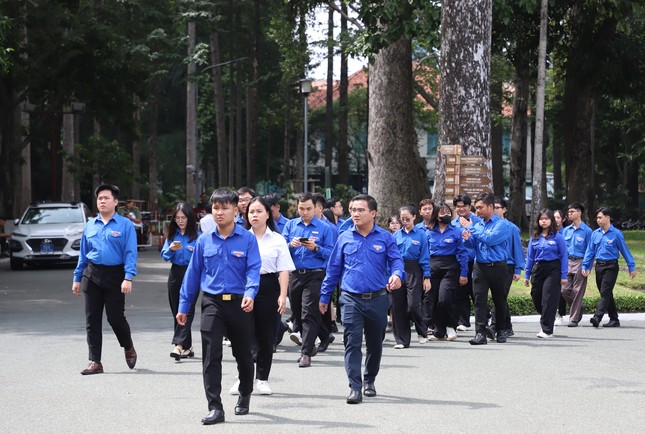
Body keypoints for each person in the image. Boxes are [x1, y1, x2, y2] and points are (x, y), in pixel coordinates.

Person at [176, 188, 261, 425]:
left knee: (243, 355)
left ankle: (245, 392)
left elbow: (254, 270)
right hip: (212, 302)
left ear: (236, 210)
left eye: (225, 208)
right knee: (211, 355)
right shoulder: (204, 241)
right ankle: (215, 407)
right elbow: (192, 276)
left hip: (240, 304)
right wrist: (184, 306)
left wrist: (250, 293)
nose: (219, 212)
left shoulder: (248, 239)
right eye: (215, 208)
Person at [319, 194, 404, 404]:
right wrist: (324, 296)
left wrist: (397, 275)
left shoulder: (385, 238)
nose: (355, 214)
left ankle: (369, 380)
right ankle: (355, 386)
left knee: (375, 343)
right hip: (350, 299)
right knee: (352, 343)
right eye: (353, 210)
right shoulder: (344, 237)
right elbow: (333, 270)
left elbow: (396, 261)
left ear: (373, 213)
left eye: (360, 210)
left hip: (378, 299)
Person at [227, 196, 295, 395]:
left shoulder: (277, 239)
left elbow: (283, 270)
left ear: (268, 214)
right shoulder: (239, 237)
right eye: (251, 212)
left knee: (266, 336)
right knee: (243, 336)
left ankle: (262, 378)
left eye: (259, 211)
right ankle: (242, 379)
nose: (254, 215)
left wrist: (283, 295)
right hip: (244, 288)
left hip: (268, 287)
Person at [71, 184, 138, 375]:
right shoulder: (90, 225)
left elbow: (130, 253)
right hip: (91, 274)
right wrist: (77, 277)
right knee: (92, 319)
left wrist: (128, 277)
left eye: (106, 198)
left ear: (115, 202)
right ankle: (95, 361)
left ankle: (128, 345)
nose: (102, 201)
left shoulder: (125, 225)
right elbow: (83, 255)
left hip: (116, 275)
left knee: (115, 318)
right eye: (99, 198)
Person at [281, 192, 334, 367]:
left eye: (308, 209)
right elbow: (281, 251)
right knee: (297, 312)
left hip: (316, 274)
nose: (305, 212)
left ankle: (305, 353)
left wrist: (316, 247)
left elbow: (331, 254)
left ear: (316, 208)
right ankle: (318, 339)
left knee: (308, 312)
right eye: (301, 208)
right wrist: (291, 244)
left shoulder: (324, 228)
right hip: (295, 274)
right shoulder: (290, 225)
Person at [461, 192, 509, 345]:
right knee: (479, 300)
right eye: (477, 208)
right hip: (480, 267)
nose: (478, 210)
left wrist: (471, 228)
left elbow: (490, 239)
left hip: (498, 267)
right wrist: (468, 240)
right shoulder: (478, 225)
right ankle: (480, 333)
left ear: (491, 207)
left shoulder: (501, 224)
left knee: (499, 300)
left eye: (481, 207)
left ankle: (501, 330)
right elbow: (474, 245)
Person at [582, 207, 637, 328]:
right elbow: (590, 251)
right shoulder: (595, 234)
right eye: (597, 218)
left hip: (611, 266)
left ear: (608, 218)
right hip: (599, 266)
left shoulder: (616, 234)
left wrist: (631, 266)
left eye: (600, 217)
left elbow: (624, 250)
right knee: (606, 293)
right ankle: (614, 319)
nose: (598, 220)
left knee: (605, 291)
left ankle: (597, 317)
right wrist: (586, 265)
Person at [161, 202, 200, 360]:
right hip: (176, 273)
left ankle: (178, 345)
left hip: (192, 275)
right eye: (177, 218)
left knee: (187, 310)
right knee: (177, 310)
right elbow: (164, 256)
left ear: (189, 218)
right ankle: (188, 346)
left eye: (183, 217)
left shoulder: (198, 237)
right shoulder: (172, 235)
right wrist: (171, 249)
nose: (180, 221)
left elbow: (202, 259)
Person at [426, 203, 468, 342]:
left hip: (450, 267)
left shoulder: (456, 231)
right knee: (433, 300)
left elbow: (462, 253)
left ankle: (451, 325)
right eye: (443, 213)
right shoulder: (429, 232)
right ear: (436, 216)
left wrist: (464, 273)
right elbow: (424, 254)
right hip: (433, 267)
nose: (446, 215)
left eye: (448, 213)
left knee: (445, 299)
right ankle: (439, 331)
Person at [524, 209, 568, 338]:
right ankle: (550, 315)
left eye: (546, 218)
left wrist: (563, 275)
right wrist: (527, 275)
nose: (544, 221)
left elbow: (564, 255)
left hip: (553, 269)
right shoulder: (535, 237)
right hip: (538, 269)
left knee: (548, 298)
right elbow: (530, 257)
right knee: (536, 296)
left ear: (551, 221)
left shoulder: (558, 237)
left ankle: (547, 330)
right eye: (541, 218)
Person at [391, 204, 430, 348]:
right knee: (398, 306)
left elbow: (425, 256)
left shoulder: (421, 235)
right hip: (398, 269)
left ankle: (421, 329)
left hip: (415, 269)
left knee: (413, 305)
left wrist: (427, 277)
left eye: (407, 218)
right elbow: (391, 256)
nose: (405, 222)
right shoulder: (396, 235)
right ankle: (402, 340)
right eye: (402, 219)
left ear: (414, 217)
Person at [487, 197, 525, 338]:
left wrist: (518, 269)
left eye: (498, 207)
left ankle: (494, 326)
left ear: (504, 209)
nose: (495, 210)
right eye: (493, 207)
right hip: (491, 265)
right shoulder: (487, 226)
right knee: (501, 297)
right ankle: (507, 326)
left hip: (507, 266)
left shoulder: (512, 228)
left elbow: (517, 249)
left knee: (500, 295)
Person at [451, 194, 482, 331]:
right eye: (458, 206)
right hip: (459, 262)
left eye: (464, 206)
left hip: (475, 261)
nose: (461, 209)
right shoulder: (452, 224)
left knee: (476, 292)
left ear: (470, 207)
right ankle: (464, 321)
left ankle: (483, 318)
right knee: (461, 292)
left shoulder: (478, 222)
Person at [561, 202, 592, 327]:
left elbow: (590, 250)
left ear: (579, 213)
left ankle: (573, 319)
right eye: (568, 212)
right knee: (564, 290)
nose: (569, 214)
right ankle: (578, 307)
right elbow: (562, 249)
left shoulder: (587, 231)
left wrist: (587, 266)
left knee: (578, 290)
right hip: (567, 261)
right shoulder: (566, 231)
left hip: (580, 261)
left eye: (572, 211)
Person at [554, 209, 569, 324]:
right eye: (554, 217)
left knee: (562, 290)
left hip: (563, 263)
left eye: (558, 217)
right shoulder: (549, 233)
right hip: (552, 264)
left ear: (563, 219)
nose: (556, 220)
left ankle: (561, 314)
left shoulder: (566, 232)